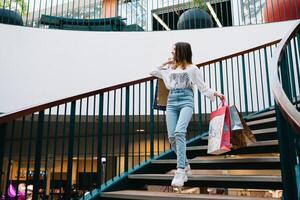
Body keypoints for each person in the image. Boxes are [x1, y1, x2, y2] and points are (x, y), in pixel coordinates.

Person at [150, 42, 225, 187]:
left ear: (181, 52)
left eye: (173, 52)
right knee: (172, 137)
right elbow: (153, 71)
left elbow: (203, 86)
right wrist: (166, 62)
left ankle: (180, 171)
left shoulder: (192, 69)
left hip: (186, 101)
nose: (171, 54)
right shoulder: (169, 69)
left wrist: (216, 94)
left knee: (179, 132)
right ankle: (185, 164)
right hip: (171, 102)